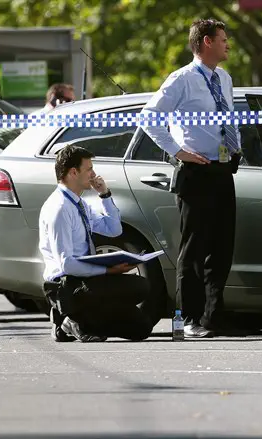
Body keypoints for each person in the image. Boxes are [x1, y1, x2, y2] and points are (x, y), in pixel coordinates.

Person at [140, 18, 242, 338]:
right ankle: (187, 320)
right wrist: (177, 151)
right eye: (223, 39)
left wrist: (236, 151)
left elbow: (228, 119)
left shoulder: (223, 78)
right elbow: (149, 118)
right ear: (207, 42)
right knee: (194, 251)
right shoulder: (182, 79)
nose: (228, 44)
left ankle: (213, 316)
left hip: (223, 170)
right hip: (196, 173)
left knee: (221, 248)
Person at [39, 145, 153, 343]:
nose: (94, 174)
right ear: (73, 172)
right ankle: (69, 315)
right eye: (89, 169)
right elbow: (67, 264)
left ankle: (70, 321)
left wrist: (105, 195)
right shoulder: (59, 208)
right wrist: (109, 272)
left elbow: (113, 229)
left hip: (86, 281)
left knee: (141, 328)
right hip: (65, 284)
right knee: (137, 286)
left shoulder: (79, 203)